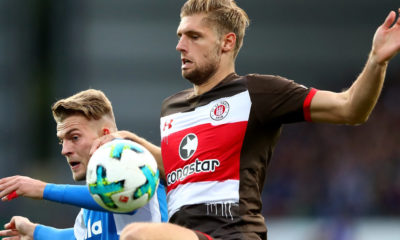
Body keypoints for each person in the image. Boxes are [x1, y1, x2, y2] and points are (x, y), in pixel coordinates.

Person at [82, 1, 400, 240]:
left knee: (136, 235)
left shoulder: (258, 93)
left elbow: (350, 108)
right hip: (187, 235)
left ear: (227, 42)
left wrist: (376, 61)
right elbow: (178, 172)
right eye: (180, 36)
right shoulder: (172, 108)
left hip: (232, 234)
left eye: (194, 36)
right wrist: (130, 143)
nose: (180, 45)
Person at [0, 89, 168, 240]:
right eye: (61, 141)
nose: (65, 150)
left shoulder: (138, 166)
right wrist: (35, 232)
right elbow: (78, 236)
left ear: (105, 135)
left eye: (74, 138)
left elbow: (122, 199)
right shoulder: (92, 202)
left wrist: (42, 189)